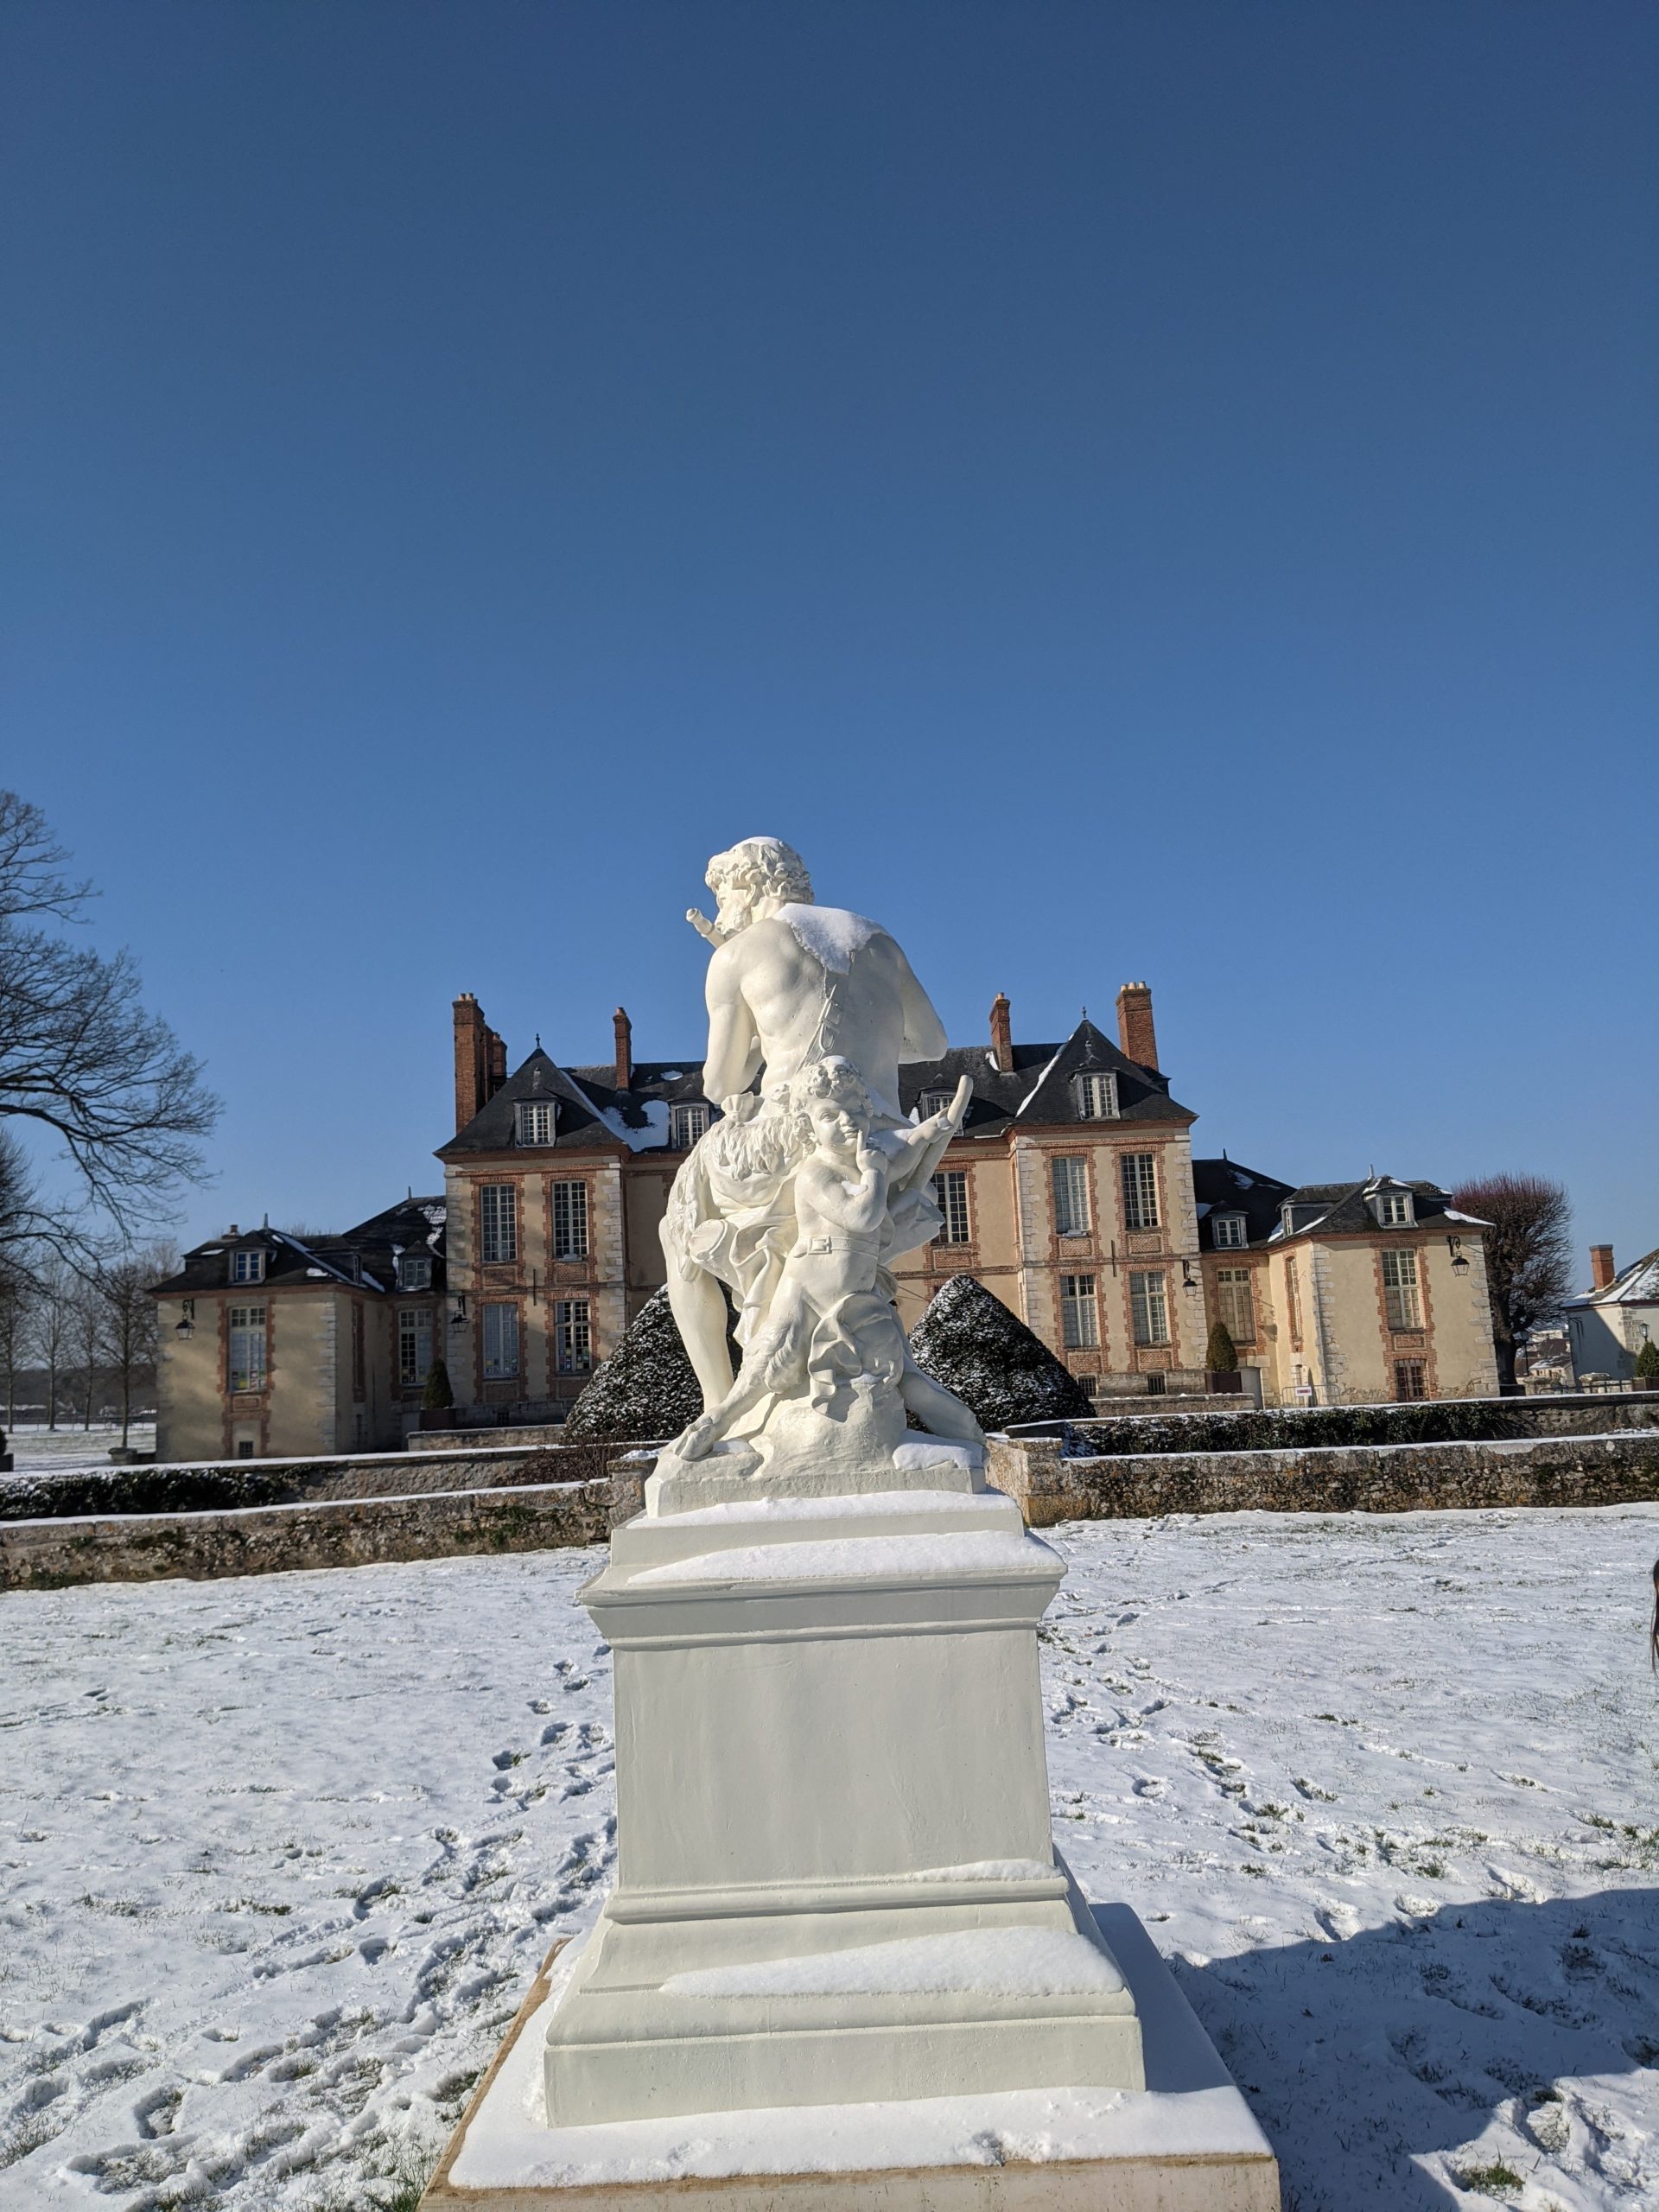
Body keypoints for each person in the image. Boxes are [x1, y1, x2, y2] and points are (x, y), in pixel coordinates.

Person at [662, 836, 955, 1412]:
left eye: (723, 896)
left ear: (751, 886)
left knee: (678, 1233)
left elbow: (721, 1084)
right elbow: (933, 1044)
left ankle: (723, 1409)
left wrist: (747, 1008)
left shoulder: (738, 953)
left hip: (793, 1137)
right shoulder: (876, 938)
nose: (722, 915)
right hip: (885, 1135)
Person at [676, 1058, 980, 1461]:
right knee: (765, 1370)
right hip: (806, 1287)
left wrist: (928, 1131)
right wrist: (873, 1173)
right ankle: (714, 1423)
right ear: (808, 1126)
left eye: (855, 1110)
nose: (847, 1122)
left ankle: (971, 1439)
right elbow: (862, 1215)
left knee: (904, 1375)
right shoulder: (815, 1173)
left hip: (858, 1295)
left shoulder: (864, 1161)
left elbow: (903, 1162)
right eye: (829, 1115)